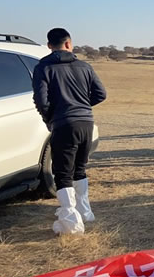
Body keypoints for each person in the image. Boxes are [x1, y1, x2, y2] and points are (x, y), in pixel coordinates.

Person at [32, 28, 107, 235]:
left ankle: (71, 222)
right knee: (80, 168)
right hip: (86, 123)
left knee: (63, 173)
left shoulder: (43, 68)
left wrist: (50, 117)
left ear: (49, 46)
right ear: (69, 43)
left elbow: (40, 99)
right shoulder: (84, 66)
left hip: (63, 123)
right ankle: (85, 212)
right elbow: (101, 94)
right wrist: (83, 105)